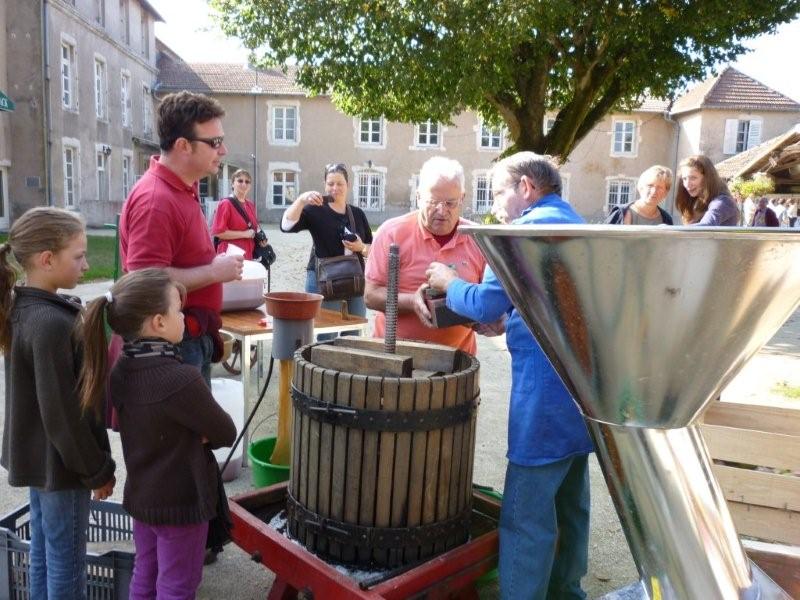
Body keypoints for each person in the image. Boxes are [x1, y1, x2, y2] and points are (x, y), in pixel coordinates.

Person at [426, 153, 593, 599]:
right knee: (572, 505)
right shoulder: (581, 225)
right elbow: (552, 303)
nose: (495, 205)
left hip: (545, 400)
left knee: (526, 517)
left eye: (498, 192)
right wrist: (515, 316)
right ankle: (567, 592)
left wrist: (447, 281)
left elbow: (483, 304)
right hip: (585, 398)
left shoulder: (526, 230)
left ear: (526, 188)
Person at [79, 268, 236, 599]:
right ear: (158, 323)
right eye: (178, 311)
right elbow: (225, 430)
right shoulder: (182, 380)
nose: (183, 317)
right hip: (181, 505)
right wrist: (195, 434)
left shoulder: (121, 369)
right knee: (178, 585)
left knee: (145, 576)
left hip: (143, 499)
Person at [0, 207, 116, 599]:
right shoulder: (50, 323)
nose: (85, 264)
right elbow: (63, 415)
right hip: (63, 467)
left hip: (41, 463)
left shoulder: (24, 308)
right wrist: (96, 470)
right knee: (66, 565)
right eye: (79, 256)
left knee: (45, 555)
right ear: (47, 260)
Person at [120, 91, 244, 386]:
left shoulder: (182, 187)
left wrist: (211, 264)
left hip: (188, 337)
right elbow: (144, 279)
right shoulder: (156, 199)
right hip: (173, 344)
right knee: (181, 433)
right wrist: (213, 272)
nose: (223, 149)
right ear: (183, 145)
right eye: (214, 142)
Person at [364, 156, 487, 354]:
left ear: (462, 198)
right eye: (433, 202)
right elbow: (370, 296)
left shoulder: (479, 238)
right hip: (395, 358)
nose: (442, 210)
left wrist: (479, 316)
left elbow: (489, 299)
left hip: (458, 363)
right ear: (419, 196)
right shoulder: (392, 233)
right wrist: (413, 301)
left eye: (450, 203)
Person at [280, 163, 372, 318]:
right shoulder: (314, 210)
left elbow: (373, 249)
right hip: (325, 280)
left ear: (348, 185)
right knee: (326, 333)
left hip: (355, 279)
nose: (335, 188)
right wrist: (302, 200)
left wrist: (360, 246)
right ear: (324, 185)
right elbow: (286, 225)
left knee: (354, 331)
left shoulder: (357, 213)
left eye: (340, 183)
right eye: (330, 184)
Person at [211, 168, 270, 259]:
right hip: (229, 255)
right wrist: (244, 234)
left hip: (248, 255)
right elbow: (218, 232)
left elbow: (254, 228)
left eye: (247, 182)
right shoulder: (226, 204)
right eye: (240, 181)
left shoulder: (250, 205)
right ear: (233, 183)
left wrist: (260, 239)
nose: (244, 184)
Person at [675, 155, 739, 226]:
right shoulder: (696, 202)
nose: (687, 184)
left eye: (693, 178)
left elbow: (706, 226)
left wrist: (665, 229)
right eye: (684, 179)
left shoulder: (723, 202)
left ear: (707, 178)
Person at [605, 165, 674, 225]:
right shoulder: (620, 214)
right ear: (640, 187)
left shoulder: (667, 220)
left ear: (666, 192)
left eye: (659, 188)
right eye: (650, 185)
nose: (654, 191)